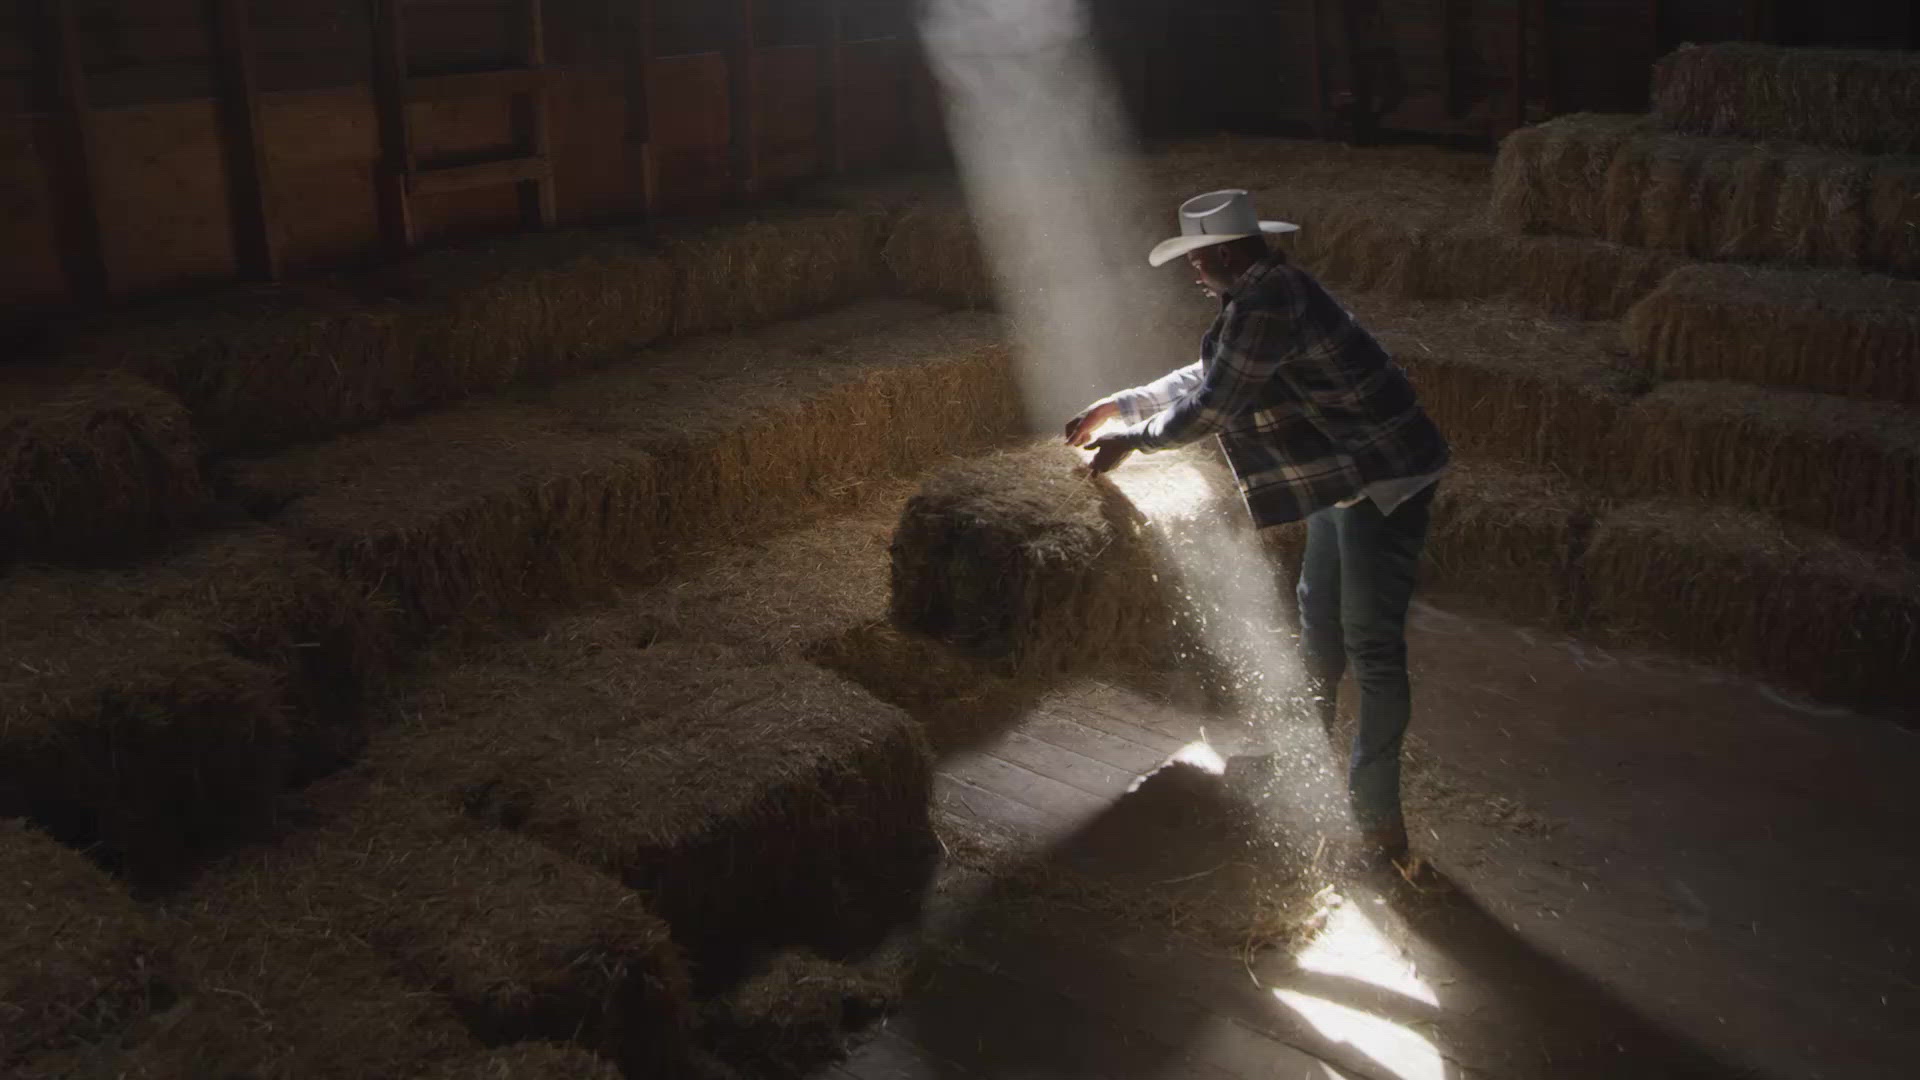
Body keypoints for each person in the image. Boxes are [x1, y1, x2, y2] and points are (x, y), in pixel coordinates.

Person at [1064, 189, 1449, 868]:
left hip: (1382, 476)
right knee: (1315, 618)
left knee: (1369, 643)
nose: (1192, 272)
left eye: (1195, 258)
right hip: (1340, 470)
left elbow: (1213, 403)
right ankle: (1298, 761)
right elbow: (1215, 372)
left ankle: (1377, 820)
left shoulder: (1271, 302)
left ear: (1219, 254)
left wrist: (1134, 440)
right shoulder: (1261, 293)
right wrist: (1123, 406)